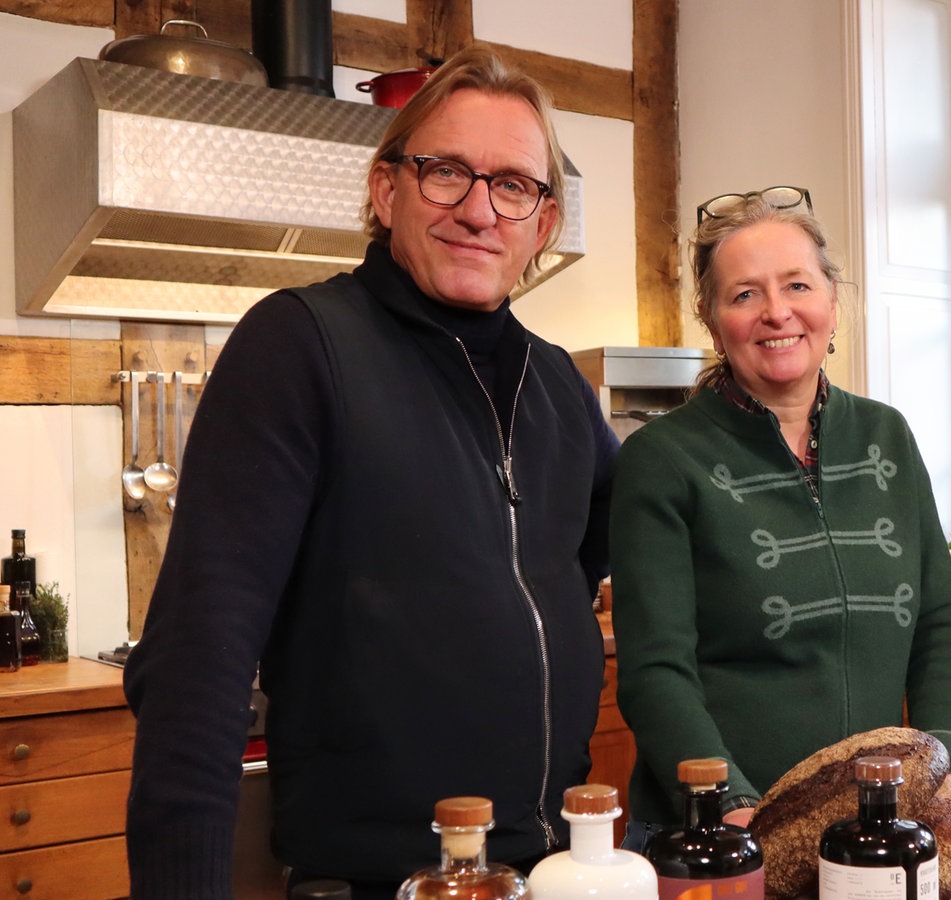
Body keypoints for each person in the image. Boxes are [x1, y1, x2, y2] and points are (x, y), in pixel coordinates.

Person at [122, 47, 619, 899]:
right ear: (386, 191)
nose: (477, 209)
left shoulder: (562, 388)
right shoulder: (300, 347)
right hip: (379, 881)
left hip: (556, 872)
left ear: (542, 224)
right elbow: (195, 663)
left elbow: (656, 548)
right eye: (445, 173)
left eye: (512, 186)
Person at [608, 187, 951, 844]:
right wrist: (731, 808)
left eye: (797, 285)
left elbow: (940, 623)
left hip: (872, 828)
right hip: (713, 834)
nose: (777, 313)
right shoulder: (661, 459)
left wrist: (945, 763)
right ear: (711, 317)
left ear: (833, 300)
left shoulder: (886, 436)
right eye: (745, 294)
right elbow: (657, 671)